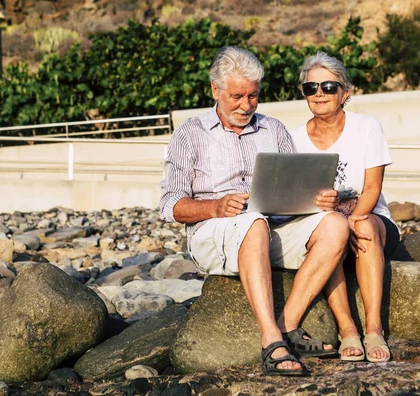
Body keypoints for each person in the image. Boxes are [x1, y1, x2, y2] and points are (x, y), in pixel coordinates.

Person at [160, 46, 350, 376]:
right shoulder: (189, 134)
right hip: (215, 232)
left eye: (253, 96)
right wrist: (215, 207)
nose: (246, 105)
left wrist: (316, 202)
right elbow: (169, 206)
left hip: (272, 228)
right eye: (237, 96)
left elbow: (297, 187)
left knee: (334, 225)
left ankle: (287, 324)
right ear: (214, 90)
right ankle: (270, 341)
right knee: (253, 223)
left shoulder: (273, 129)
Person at [290, 51, 400, 363]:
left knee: (359, 224)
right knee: (332, 230)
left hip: (370, 220)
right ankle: (347, 328)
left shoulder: (367, 126)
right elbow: (298, 199)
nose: (319, 94)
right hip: (327, 227)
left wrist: (350, 221)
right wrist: (338, 225)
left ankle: (374, 328)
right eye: (311, 88)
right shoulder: (294, 139)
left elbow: (371, 189)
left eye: (328, 86)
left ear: (345, 93)